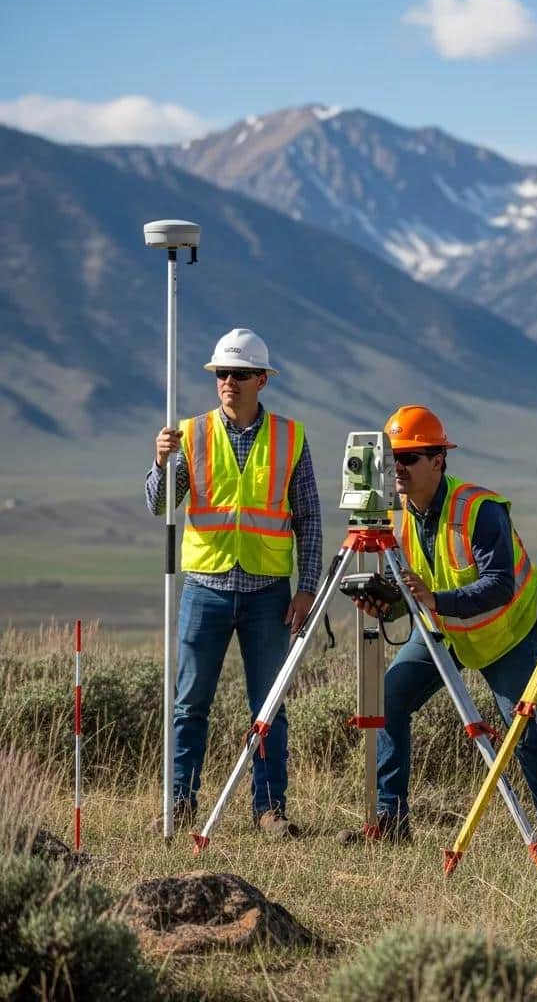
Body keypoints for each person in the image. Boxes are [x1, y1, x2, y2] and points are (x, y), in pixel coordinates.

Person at [342, 405, 537, 843]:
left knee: (522, 728)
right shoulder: (396, 515)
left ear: (438, 459)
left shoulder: (479, 509)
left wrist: (433, 599)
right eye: (392, 459)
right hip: (442, 629)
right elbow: (409, 588)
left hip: (505, 634)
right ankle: (391, 822)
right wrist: (387, 606)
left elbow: (500, 585)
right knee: (387, 701)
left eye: (409, 458)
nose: (397, 469)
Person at [146, 328, 322, 837]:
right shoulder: (189, 433)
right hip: (205, 587)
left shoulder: (292, 438)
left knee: (269, 706)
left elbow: (308, 517)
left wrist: (307, 587)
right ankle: (179, 805)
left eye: (240, 374)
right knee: (189, 704)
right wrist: (160, 463)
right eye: (222, 373)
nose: (229, 382)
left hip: (269, 592)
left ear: (262, 380)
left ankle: (269, 810)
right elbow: (161, 505)